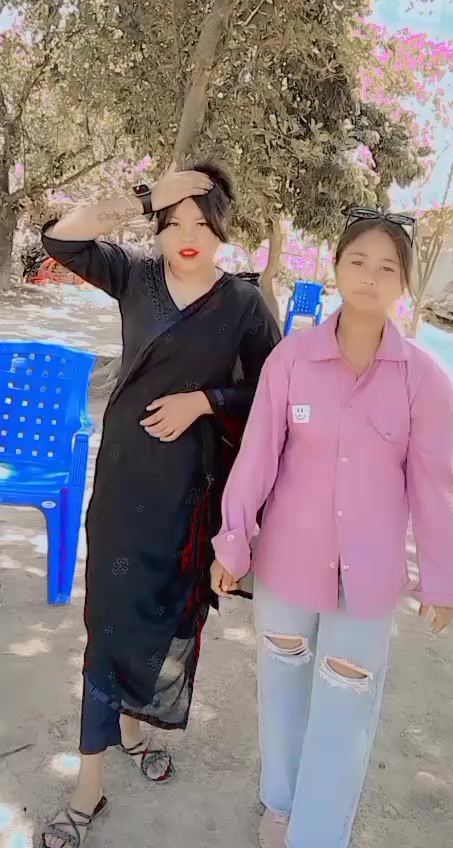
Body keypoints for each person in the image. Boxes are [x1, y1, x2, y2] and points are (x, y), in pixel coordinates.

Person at [211, 209, 453, 848]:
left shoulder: (426, 381)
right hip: (287, 568)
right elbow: (258, 456)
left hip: (368, 580)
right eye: (358, 261)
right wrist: (233, 541)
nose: (370, 277)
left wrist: (443, 580)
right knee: (283, 690)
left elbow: (431, 488)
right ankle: (281, 806)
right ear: (335, 266)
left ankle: (318, 833)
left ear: (404, 282)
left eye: (387, 267)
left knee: (346, 706)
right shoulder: (292, 359)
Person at [40, 161, 280, 848]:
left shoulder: (242, 304)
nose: (187, 235)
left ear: (223, 230)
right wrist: (149, 194)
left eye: (202, 222)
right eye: (173, 222)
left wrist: (205, 400)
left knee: (164, 615)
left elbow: (272, 392)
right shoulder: (136, 277)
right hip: (124, 484)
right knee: (109, 622)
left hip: (189, 498)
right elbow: (61, 238)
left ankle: (134, 727)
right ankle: (89, 783)